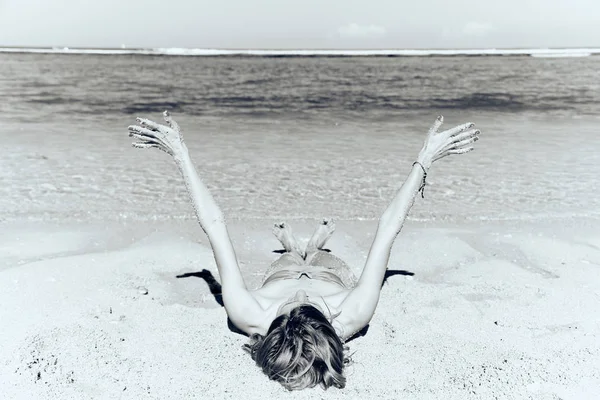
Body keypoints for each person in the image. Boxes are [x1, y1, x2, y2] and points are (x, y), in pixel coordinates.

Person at [127, 112, 480, 390]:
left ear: (270, 326)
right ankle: (313, 246)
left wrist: (181, 154)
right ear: (331, 324)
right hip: (331, 272)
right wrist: (424, 159)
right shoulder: (353, 312)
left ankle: (294, 247)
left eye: (290, 303)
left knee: (290, 265)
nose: (301, 290)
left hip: (277, 274)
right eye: (309, 303)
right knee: (317, 261)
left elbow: (215, 225)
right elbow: (387, 229)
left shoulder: (248, 312)